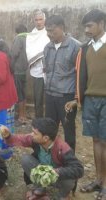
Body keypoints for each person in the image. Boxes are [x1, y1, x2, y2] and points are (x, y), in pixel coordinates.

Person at [67, 9, 106, 199]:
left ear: (101, 23)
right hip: (90, 100)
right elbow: (81, 76)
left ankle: (105, 184)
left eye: (90, 26)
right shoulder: (85, 48)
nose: (87, 30)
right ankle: (99, 180)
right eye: (85, 27)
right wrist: (78, 99)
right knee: (96, 141)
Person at [0, 118, 84, 200]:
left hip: (57, 178)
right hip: (43, 173)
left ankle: (62, 195)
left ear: (46, 138)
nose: (32, 134)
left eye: (35, 133)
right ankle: (40, 189)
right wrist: (8, 136)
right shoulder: (35, 139)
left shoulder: (62, 148)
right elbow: (20, 139)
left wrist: (55, 172)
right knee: (26, 160)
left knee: (69, 181)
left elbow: (79, 169)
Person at [43, 15, 80, 151]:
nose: (49, 34)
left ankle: (70, 163)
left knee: (68, 131)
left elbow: (79, 75)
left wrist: (76, 98)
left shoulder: (75, 47)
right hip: (50, 94)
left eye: (53, 31)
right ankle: (51, 158)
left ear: (62, 28)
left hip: (66, 97)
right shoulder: (47, 47)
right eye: (47, 31)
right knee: (49, 130)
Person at [26, 9, 50, 118]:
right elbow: (30, 51)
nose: (39, 22)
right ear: (34, 21)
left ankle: (50, 120)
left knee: (51, 97)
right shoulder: (31, 35)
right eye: (36, 20)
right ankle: (39, 120)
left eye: (41, 19)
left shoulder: (49, 32)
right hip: (37, 71)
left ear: (44, 20)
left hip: (50, 70)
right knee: (38, 97)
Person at [11, 24, 29, 124]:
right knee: (23, 92)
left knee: (19, 93)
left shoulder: (18, 38)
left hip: (17, 70)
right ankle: (24, 114)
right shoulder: (29, 38)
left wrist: (10, 65)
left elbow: (14, 53)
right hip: (24, 69)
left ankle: (21, 116)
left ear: (17, 32)